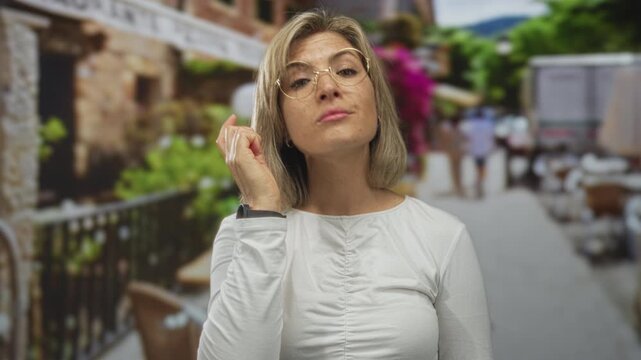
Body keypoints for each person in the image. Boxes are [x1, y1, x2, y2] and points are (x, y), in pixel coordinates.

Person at [198, 10, 492, 360]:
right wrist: (261, 211)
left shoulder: (443, 235)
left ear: (377, 103)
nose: (328, 87)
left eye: (347, 70)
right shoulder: (242, 234)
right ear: (281, 125)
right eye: (300, 81)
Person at [462, 107, 495, 199]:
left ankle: (479, 181)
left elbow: (467, 137)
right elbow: (491, 137)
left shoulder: (471, 124)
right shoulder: (488, 124)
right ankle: (481, 181)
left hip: (475, 149)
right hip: (484, 149)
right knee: (483, 166)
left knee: (478, 167)